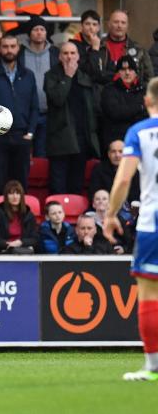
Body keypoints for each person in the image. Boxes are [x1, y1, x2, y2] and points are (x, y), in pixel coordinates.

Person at [105, 77, 158, 381]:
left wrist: (111, 214)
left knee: (150, 294)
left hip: (153, 219)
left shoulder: (138, 132)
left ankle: (153, 367)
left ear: (147, 102)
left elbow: (124, 179)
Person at [0, 34, 40, 203]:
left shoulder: (28, 75)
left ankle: (21, 225)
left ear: (18, 48)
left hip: (22, 136)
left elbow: (34, 107)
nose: (9, 50)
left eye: (12, 46)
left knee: (21, 186)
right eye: (5, 46)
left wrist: (30, 133)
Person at [44, 41, 99, 195]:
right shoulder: (51, 76)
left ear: (78, 56)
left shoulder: (84, 77)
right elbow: (58, 99)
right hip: (60, 138)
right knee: (58, 185)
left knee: (76, 185)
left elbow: (92, 107)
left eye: (72, 53)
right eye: (65, 53)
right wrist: (67, 77)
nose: (69, 57)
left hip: (80, 138)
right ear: (59, 56)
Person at [18, 15, 59, 158]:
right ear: (29, 33)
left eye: (42, 29)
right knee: (23, 153)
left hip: (49, 112)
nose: (39, 32)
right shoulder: (20, 53)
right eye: (35, 29)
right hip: (25, 113)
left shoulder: (55, 53)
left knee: (42, 154)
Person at [93, 10, 154, 86]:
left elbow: (149, 79)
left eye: (123, 23)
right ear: (108, 24)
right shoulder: (97, 47)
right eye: (116, 22)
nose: (119, 25)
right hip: (103, 95)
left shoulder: (139, 50)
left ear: (127, 26)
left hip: (132, 95)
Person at [101, 56, 147, 147]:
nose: (127, 73)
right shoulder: (109, 89)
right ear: (118, 72)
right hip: (117, 140)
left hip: (140, 138)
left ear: (136, 72)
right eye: (123, 69)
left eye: (130, 69)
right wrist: (140, 107)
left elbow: (149, 114)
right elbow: (115, 113)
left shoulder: (143, 90)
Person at [0, 180, 38, 254]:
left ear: (21, 196)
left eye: (18, 193)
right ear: (6, 196)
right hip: (0, 251)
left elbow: (35, 238)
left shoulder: (29, 215)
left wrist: (21, 242)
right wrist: (10, 245)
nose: (15, 197)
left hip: (21, 251)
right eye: (11, 193)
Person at [86, 189, 131, 254]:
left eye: (104, 199)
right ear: (93, 204)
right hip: (95, 256)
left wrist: (124, 249)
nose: (101, 201)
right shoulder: (87, 220)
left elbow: (129, 241)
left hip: (116, 257)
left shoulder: (119, 220)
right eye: (97, 199)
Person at [69, 10, 101, 76]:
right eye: (87, 24)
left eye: (94, 24)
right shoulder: (72, 46)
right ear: (81, 26)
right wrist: (95, 50)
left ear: (98, 28)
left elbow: (109, 71)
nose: (91, 27)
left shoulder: (103, 46)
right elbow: (87, 71)